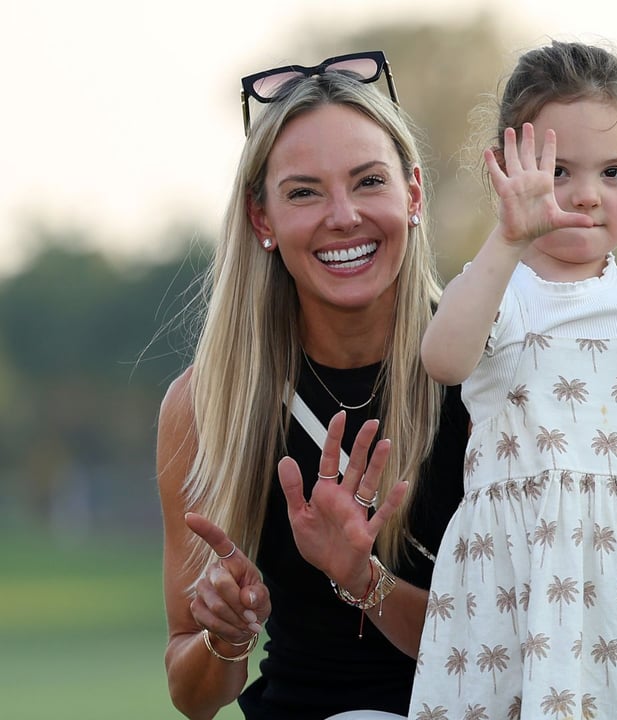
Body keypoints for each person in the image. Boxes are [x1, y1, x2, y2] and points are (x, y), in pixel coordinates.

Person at [408, 40, 617, 720]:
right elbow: (442, 360)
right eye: (557, 170)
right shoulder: (503, 293)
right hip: (539, 578)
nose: (583, 195)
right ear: (505, 170)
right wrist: (505, 240)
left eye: (607, 173)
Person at [157, 52, 468, 720]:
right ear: (262, 220)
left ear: (412, 195)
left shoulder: (491, 369)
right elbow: (193, 696)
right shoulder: (205, 403)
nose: (343, 216)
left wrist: (365, 581)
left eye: (368, 182)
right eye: (304, 192)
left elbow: (526, 646)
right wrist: (224, 636)